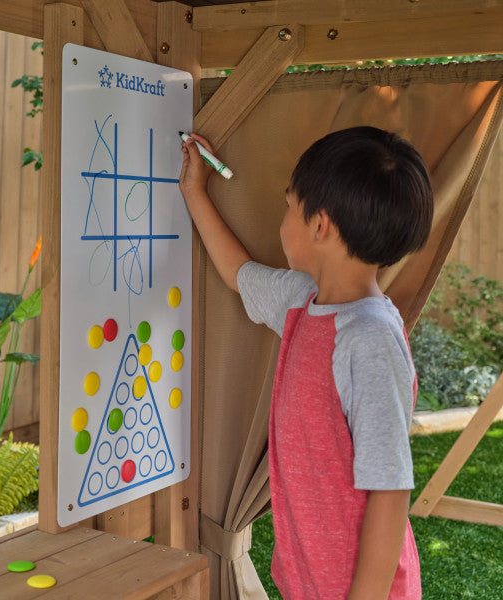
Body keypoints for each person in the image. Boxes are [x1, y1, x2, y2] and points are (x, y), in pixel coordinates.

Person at [179, 126, 433, 600]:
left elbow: (391, 492)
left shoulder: (370, 339)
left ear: (320, 226)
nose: (283, 219)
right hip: (307, 580)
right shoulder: (302, 302)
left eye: (288, 205)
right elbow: (237, 273)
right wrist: (194, 191)